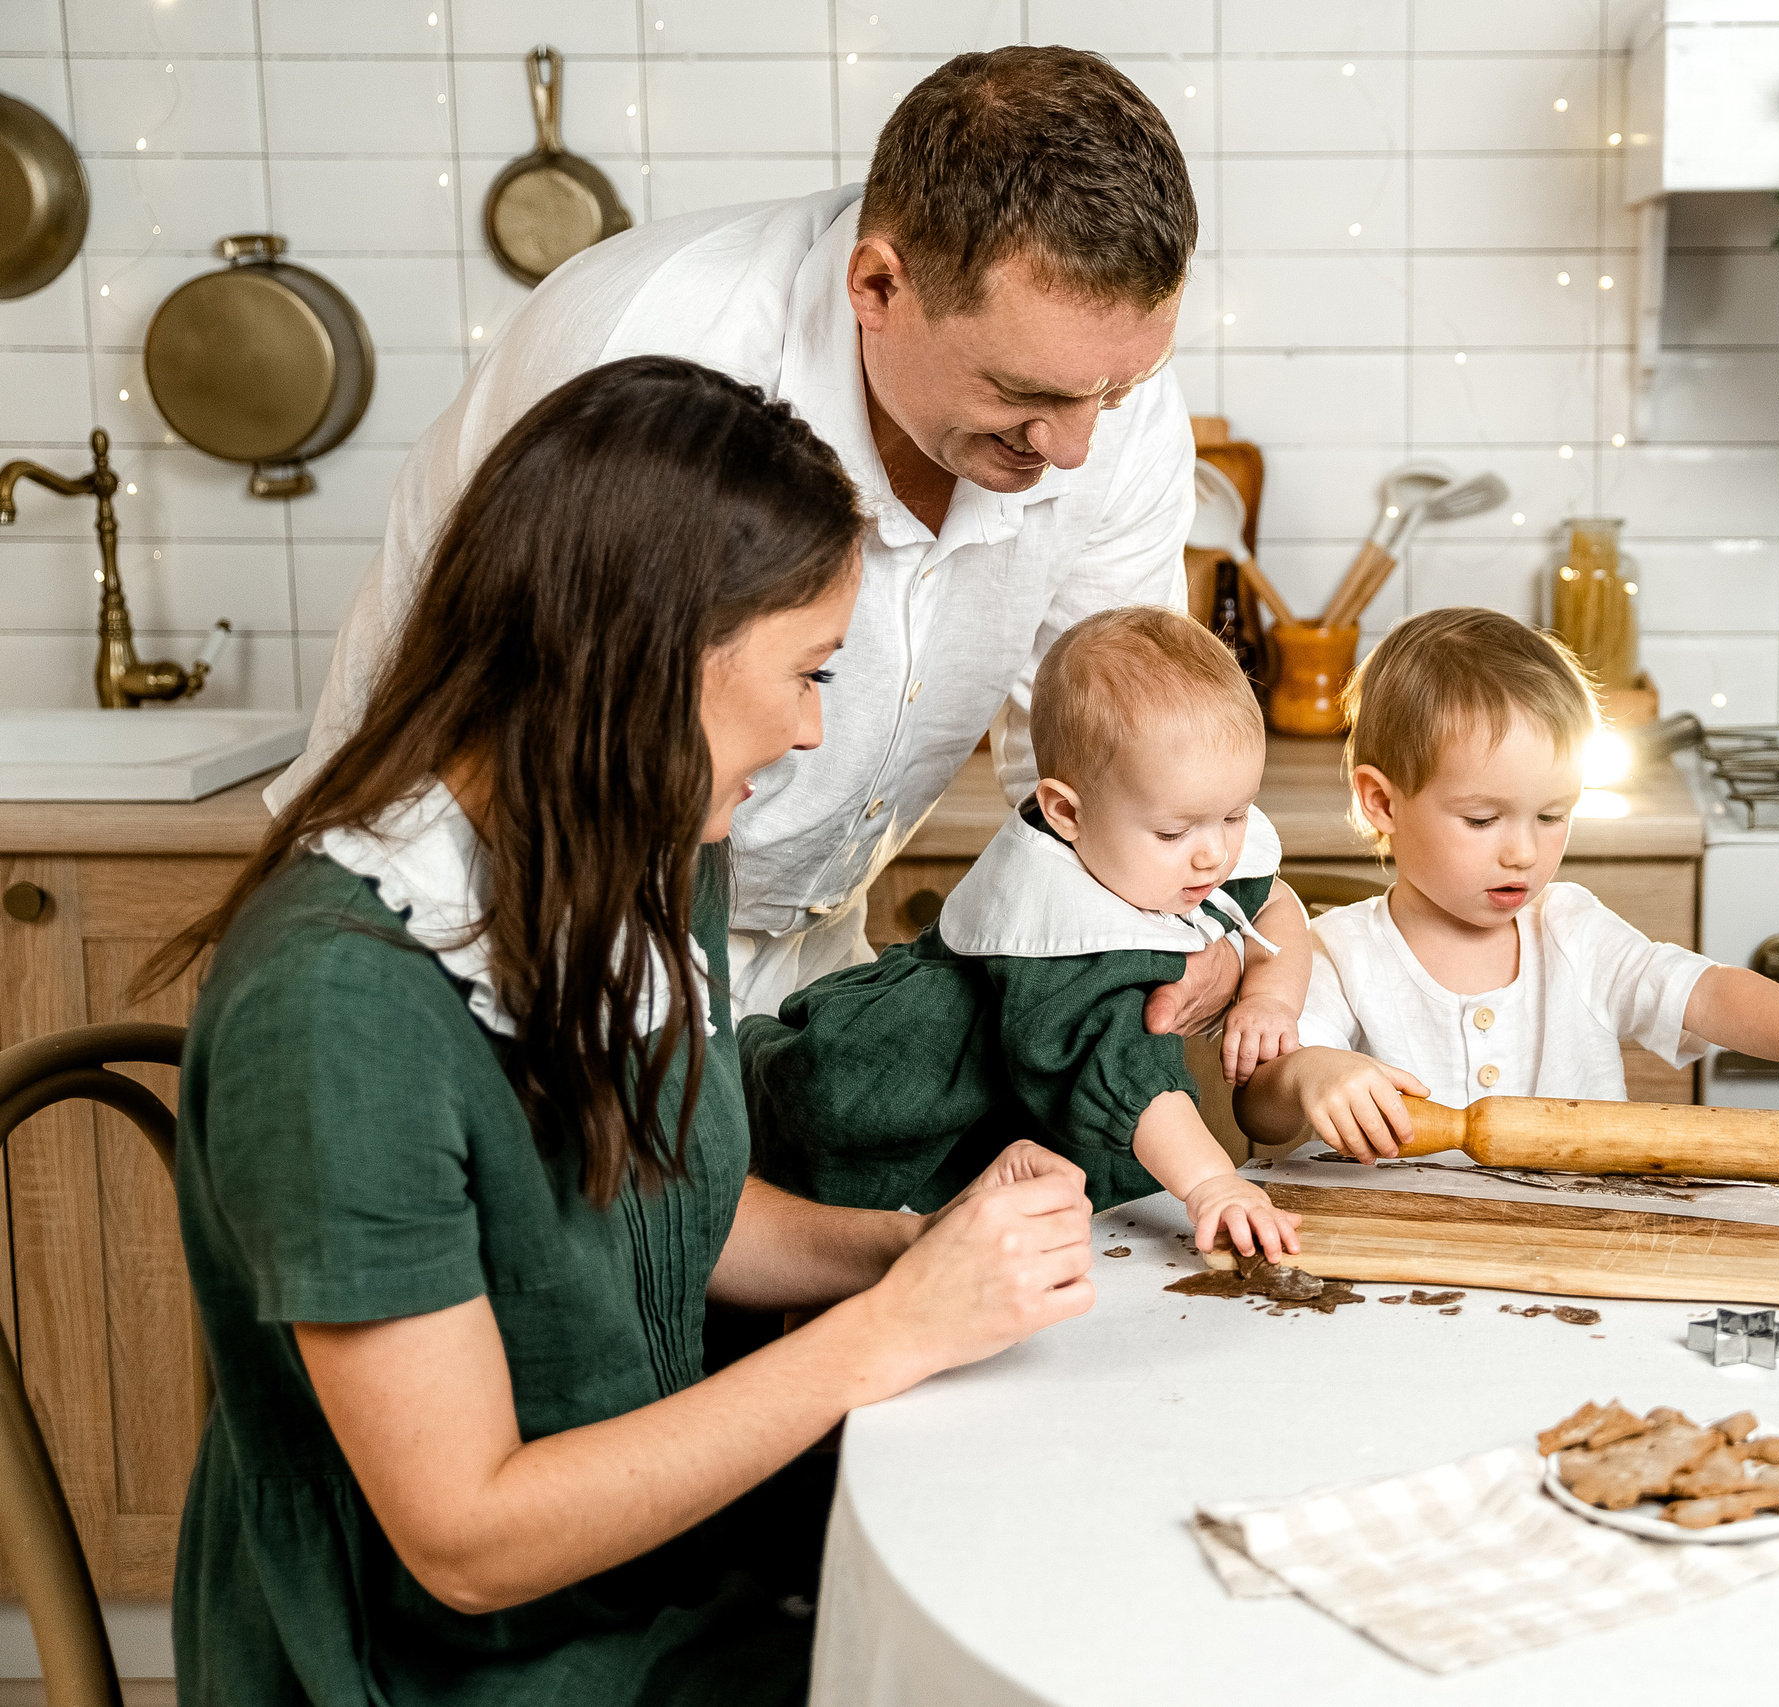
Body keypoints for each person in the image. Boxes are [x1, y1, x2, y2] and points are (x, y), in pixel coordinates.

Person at [149, 358, 1096, 1704]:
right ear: (649, 656)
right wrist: (888, 1329)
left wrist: (910, 1250)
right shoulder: (337, 1008)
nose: (814, 725)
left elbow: (667, 1209)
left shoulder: (639, 854)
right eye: (806, 669)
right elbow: (468, 1536)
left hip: (662, 1578)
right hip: (446, 1664)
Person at [270, 45, 1240, 1031]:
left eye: (1113, 390)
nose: (1077, 448)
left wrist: (1211, 921)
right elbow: (538, 771)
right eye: (1021, 394)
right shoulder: (654, 359)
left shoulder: (1104, 392)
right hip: (488, 930)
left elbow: (1113, 743)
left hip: (807, 942)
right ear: (876, 287)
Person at [1235, 607, 1779, 1168]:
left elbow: (1710, 992)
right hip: (1402, 1270)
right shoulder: (1334, 952)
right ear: (1383, 803)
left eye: (1552, 814)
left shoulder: (1570, 929)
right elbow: (1259, 1109)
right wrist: (1310, 1074)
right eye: (1482, 818)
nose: (1523, 850)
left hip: (1592, 1257)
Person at [742, 607, 1306, 1258]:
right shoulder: (1059, 922)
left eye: (1234, 815)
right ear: (1066, 811)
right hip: (873, 1103)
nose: (1213, 854)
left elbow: (1274, 903)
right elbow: (1130, 1078)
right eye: (1175, 833)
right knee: (870, 1240)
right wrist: (1211, 1182)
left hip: (1014, 1109)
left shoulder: (1172, 833)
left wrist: (1270, 996)